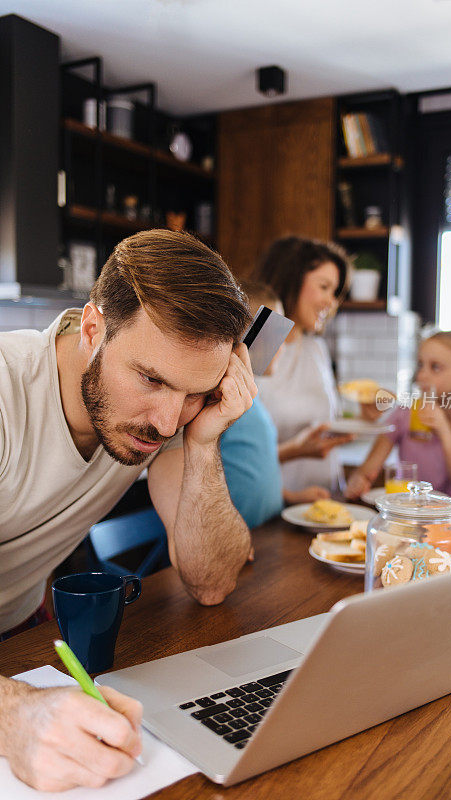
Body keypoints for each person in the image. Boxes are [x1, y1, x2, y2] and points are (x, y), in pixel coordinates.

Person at [0, 229, 257, 791]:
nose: (166, 422)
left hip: (22, 636)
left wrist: (205, 440)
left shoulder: (164, 421)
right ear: (92, 328)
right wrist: (14, 715)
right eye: (151, 379)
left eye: (194, 392)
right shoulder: (4, 390)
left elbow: (212, 581)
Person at [220, 282, 334, 528]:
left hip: (265, 532)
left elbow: (252, 468)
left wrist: (292, 497)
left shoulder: (252, 400)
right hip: (236, 539)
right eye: (274, 332)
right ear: (242, 337)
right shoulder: (223, 401)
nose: (282, 344)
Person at [253, 236, 354, 494]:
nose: (331, 302)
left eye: (335, 292)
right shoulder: (259, 347)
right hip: (276, 504)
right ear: (292, 279)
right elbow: (233, 457)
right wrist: (295, 452)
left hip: (325, 498)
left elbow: (323, 421)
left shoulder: (315, 348)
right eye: (324, 287)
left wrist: (366, 417)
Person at [344, 331, 451, 500]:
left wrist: (444, 431)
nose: (422, 375)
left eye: (435, 367)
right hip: (409, 512)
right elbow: (366, 470)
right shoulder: (405, 414)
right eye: (420, 365)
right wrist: (358, 480)